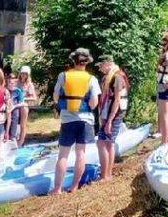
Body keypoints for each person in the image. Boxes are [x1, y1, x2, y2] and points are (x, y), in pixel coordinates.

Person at [52, 48, 101, 194]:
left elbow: (55, 97)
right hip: (85, 120)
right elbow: (94, 103)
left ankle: (57, 188)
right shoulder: (92, 79)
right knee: (81, 154)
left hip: (67, 119)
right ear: (87, 62)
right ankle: (74, 187)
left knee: (63, 155)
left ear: (74, 61)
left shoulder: (63, 75)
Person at [95, 55, 128, 181]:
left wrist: (109, 120)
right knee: (109, 144)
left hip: (113, 114)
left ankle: (105, 175)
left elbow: (117, 100)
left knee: (102, 143)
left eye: (101, 65)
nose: (99, 69)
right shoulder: (107, 78)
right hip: (107, 113)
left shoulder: (117, 77)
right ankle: (107, 175)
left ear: (108, 63)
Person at [8, 66, 37, 147]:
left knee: (23, 113)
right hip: (14, 102)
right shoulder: (16, 82)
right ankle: (9, 136)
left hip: (23, 103)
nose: (23, 75)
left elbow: (34, 98)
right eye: (22, 73)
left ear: (28, 75)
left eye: (25, 74)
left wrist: (24, 98)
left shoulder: (29, 84)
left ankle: (21, 141)